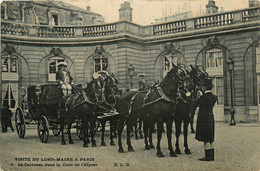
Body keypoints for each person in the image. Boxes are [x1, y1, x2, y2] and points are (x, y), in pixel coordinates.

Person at [194, 78, 217, 161]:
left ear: (204, 87)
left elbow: (194, 103)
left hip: (204, 119)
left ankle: (207, 156)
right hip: (211, 118)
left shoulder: (203, 97)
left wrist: (188, 96)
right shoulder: (214, 97)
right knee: (210, 138)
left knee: (205, 138)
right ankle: (212, 156)